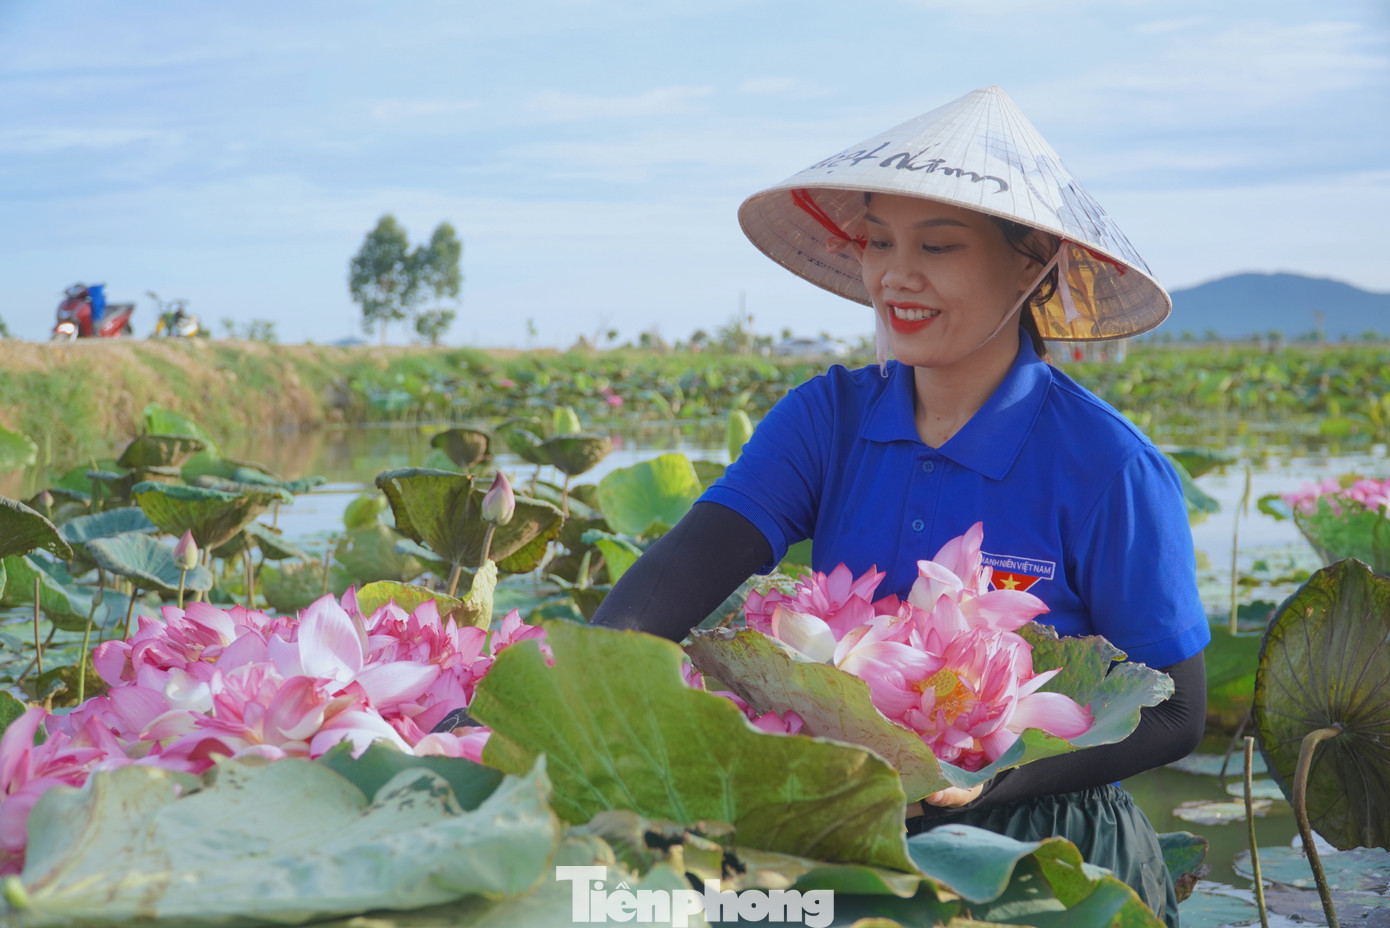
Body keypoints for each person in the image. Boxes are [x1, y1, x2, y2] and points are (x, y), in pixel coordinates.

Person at [590, 86, 1208, 925]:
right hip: (852, 825)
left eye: (939, 245)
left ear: (1030, 266)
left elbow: (1176, 711)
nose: (895, 275)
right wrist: (592, 691)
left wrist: (998, 775)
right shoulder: (827, 419)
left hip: (1046, 848)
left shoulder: (1110, 468)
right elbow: (678, 576)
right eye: (879, 241)